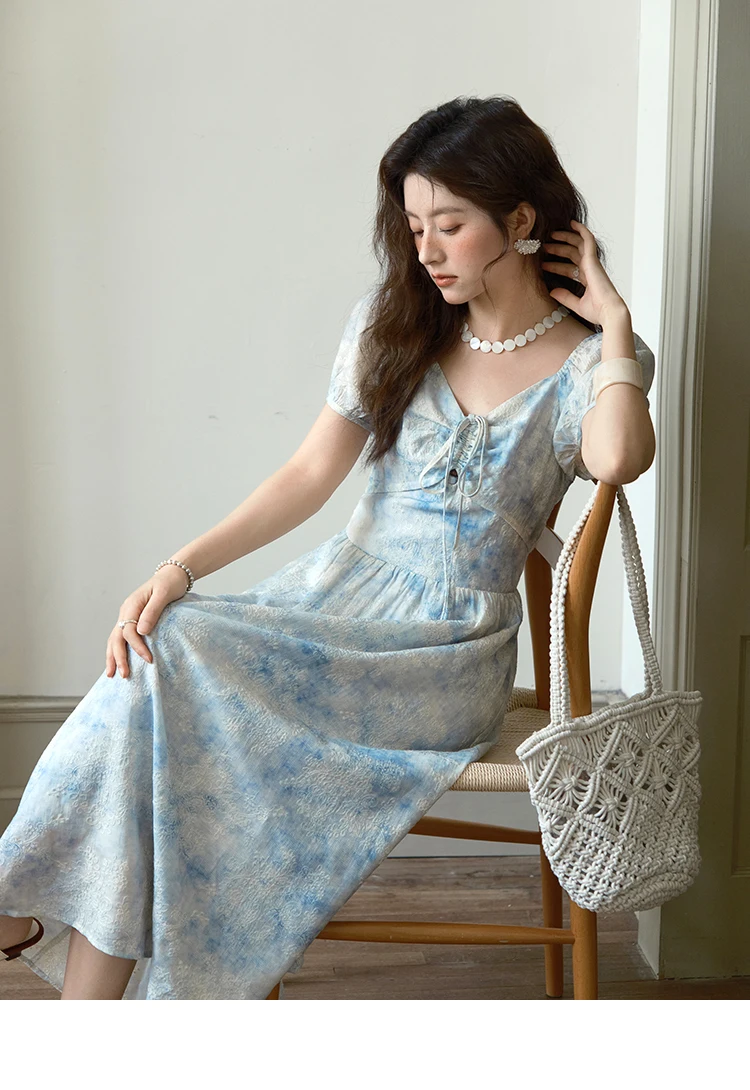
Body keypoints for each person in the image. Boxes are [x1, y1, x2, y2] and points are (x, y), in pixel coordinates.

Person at [0, 94, 655, 1000]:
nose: (426, 251)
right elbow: (308, 476)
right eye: (415, 228)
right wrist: (177, 568)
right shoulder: (396, 324)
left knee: (173, 655)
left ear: (520, 221)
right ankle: (87, 1007)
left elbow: (619, 459)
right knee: (159, 644)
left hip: (444, 653)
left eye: (450, 226)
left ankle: (20, 906)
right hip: (334, 603)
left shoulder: (592, 362)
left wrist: (613, 320)